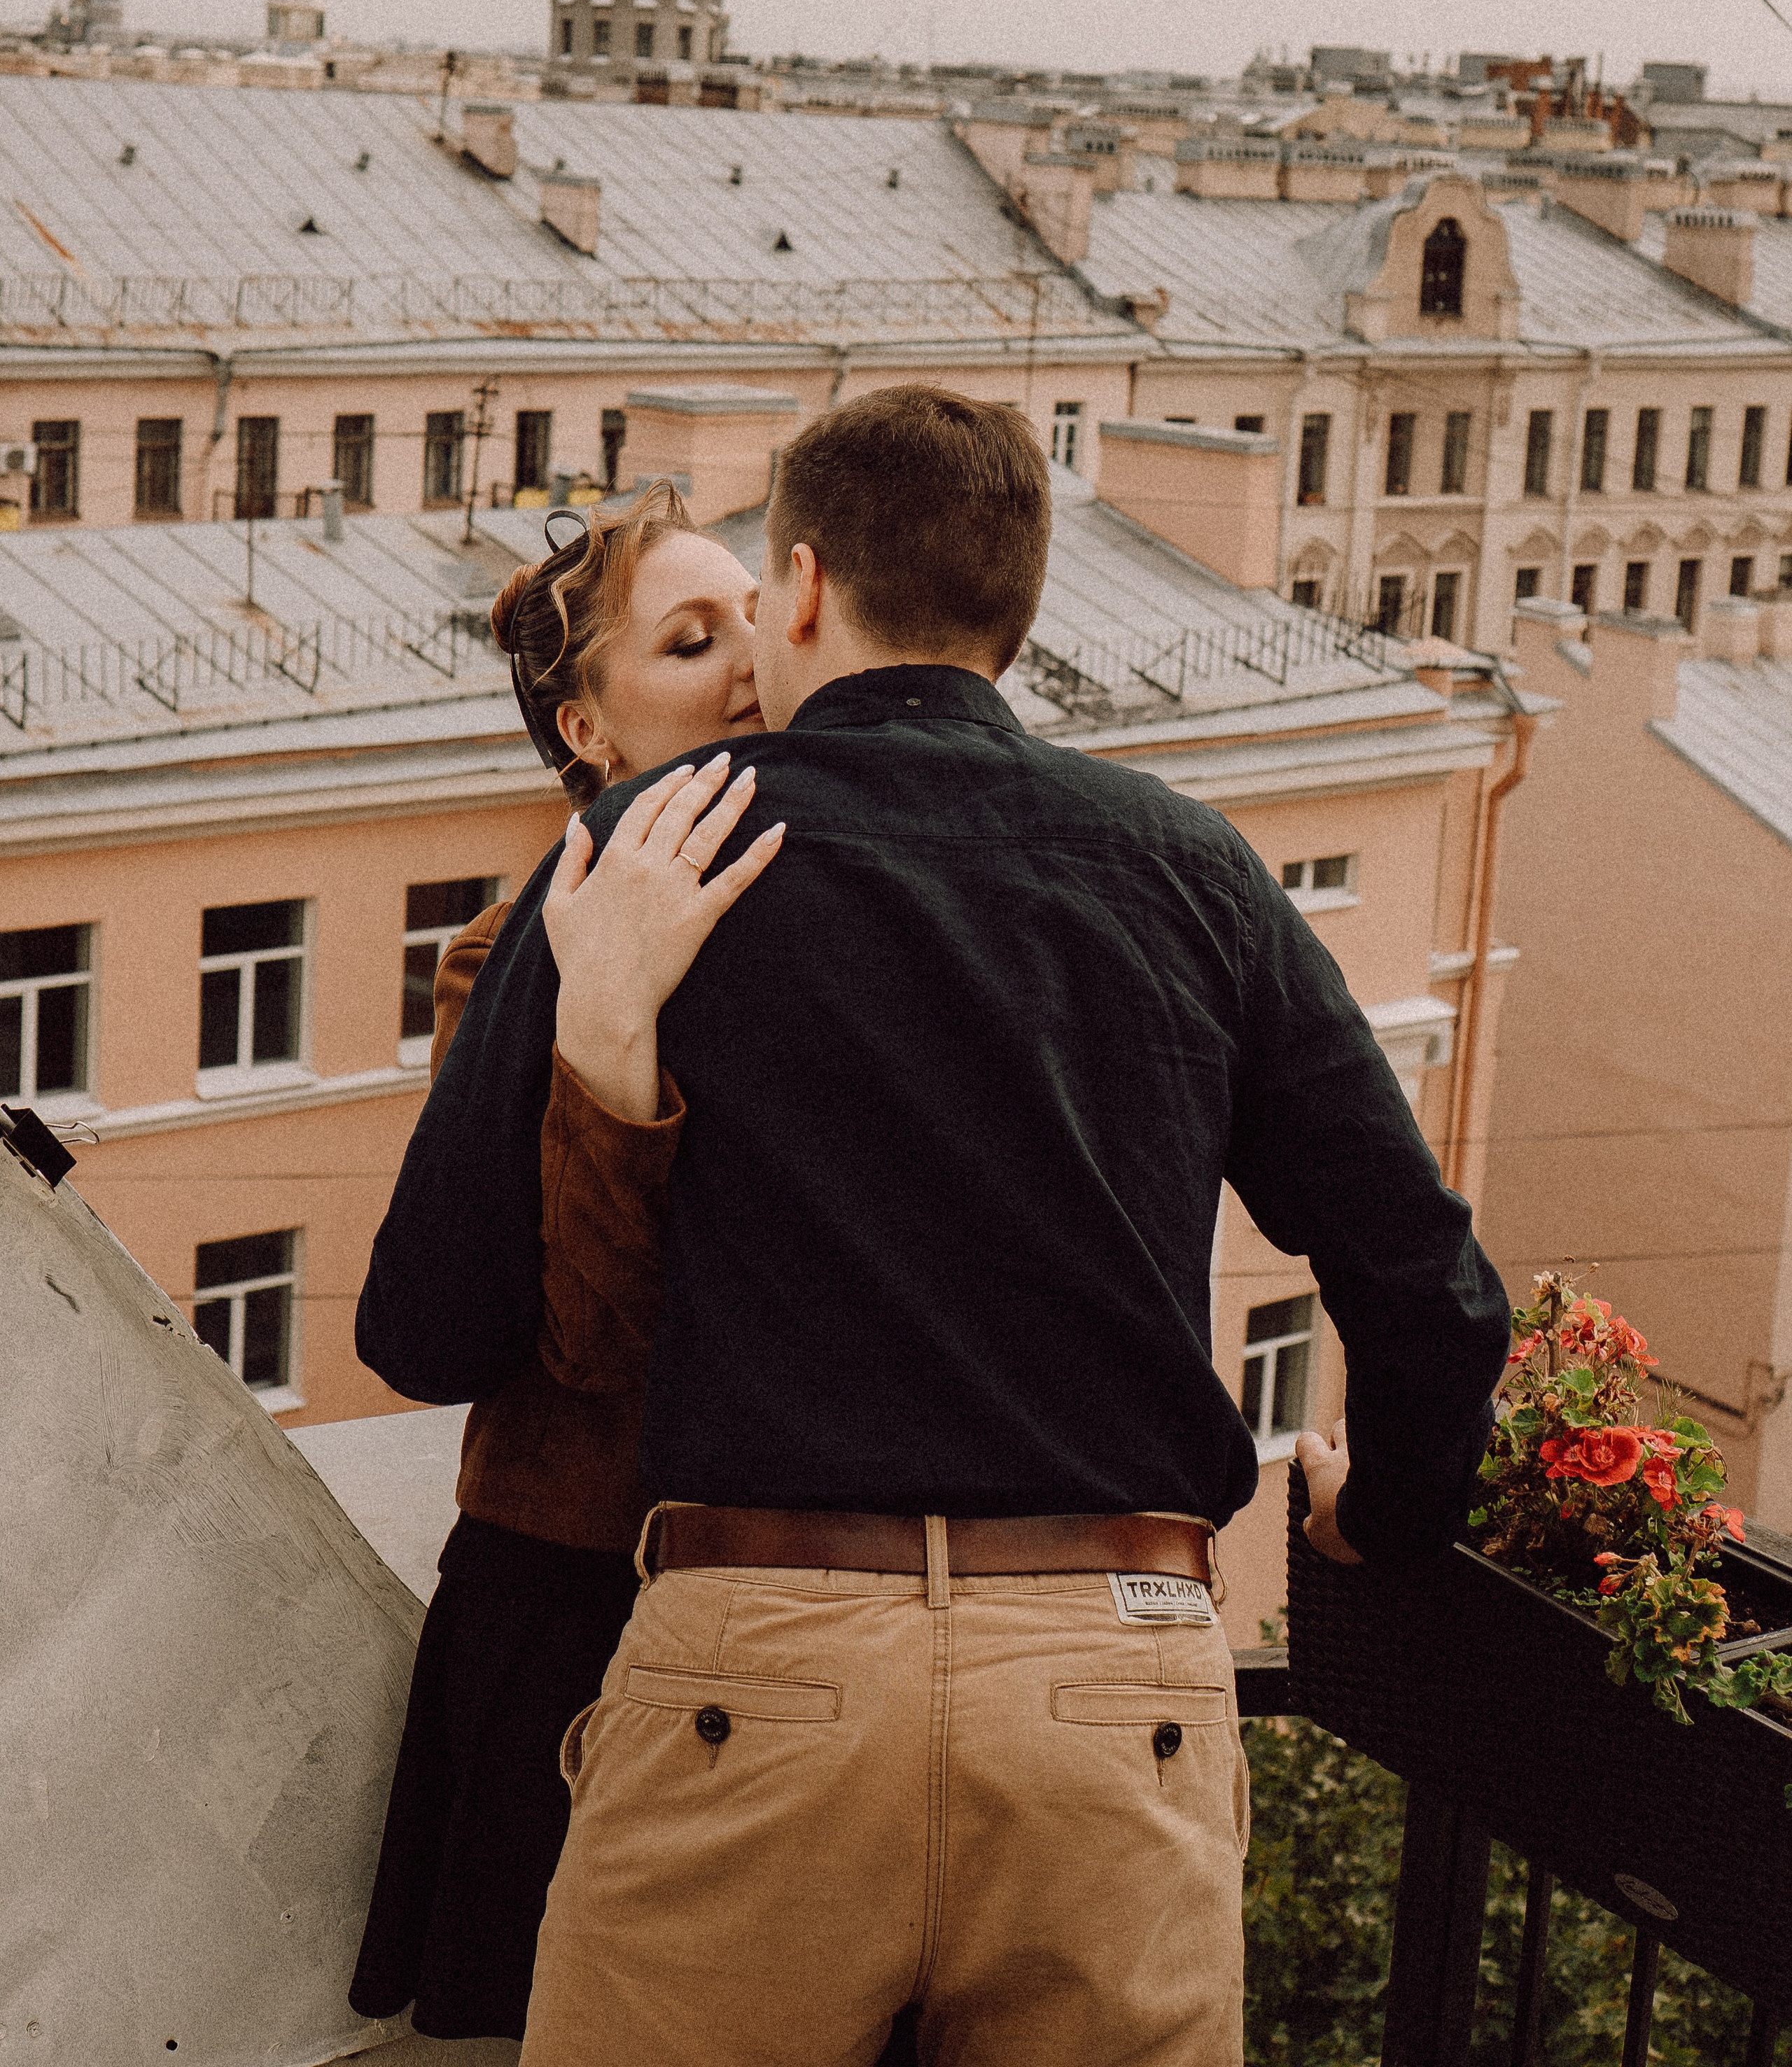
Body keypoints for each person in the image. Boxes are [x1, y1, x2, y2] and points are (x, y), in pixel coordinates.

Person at [364, 386, 1511, 2067]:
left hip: (756, 1673)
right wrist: (1385, 1518)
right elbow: (1427, 1288)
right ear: (1017, 611)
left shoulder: (632, 857)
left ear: (803, 587)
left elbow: (425, 1329)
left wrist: (602, 1053)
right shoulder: (1191, 868)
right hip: (1111, 1683)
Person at [349, 482, 778, 2043]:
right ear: (586, 732)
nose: (753, 656)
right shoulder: (514, 949)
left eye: (755, 613)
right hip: (579, 1585)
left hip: (781, 1595)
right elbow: (563, 1329)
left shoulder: (825, 896)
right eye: (691, 640)